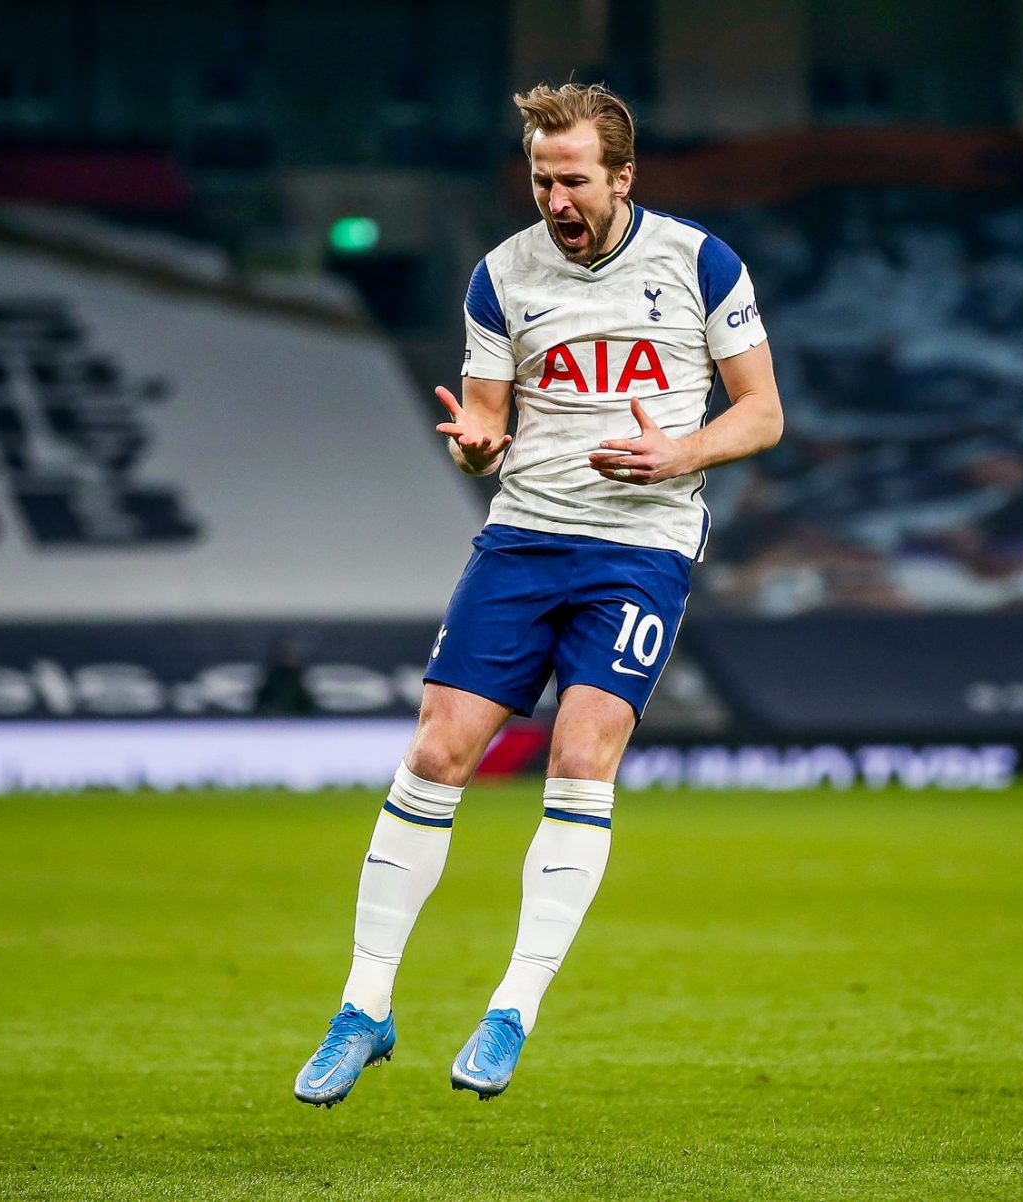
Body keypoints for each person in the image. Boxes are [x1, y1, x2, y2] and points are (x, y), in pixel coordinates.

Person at [294, 82, 783, 1106]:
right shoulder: (501, 276)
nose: (555, 196)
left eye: (572, 178)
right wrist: (477, 449)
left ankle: (512, 1006)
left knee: (581, 748)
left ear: (622, 176)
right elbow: (483, 424)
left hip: (641, 547)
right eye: (540, 177)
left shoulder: (700, 263)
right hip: (522, 536)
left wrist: (681, 451)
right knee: (436, 751)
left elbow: (763, 414)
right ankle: (365, 1007)